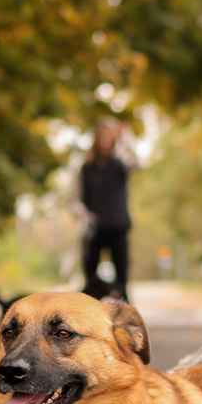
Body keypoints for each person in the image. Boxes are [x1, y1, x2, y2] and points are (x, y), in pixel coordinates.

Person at [78, 120, 136, 301]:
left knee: (121, 278)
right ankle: (89, 314)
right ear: (96, 139)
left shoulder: (119, 164)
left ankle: (125, 313)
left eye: (108, 136)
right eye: (102, 136)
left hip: (118, 225)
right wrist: (84, 214)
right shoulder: (88, 168)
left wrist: (126, 138)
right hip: (95, 227)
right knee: (90, 277)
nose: (105, 139)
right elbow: (83, 199)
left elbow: (136, 163)